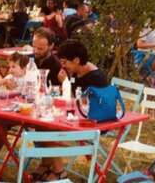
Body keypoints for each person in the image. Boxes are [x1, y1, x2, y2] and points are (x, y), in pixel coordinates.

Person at [29, 40, 109, 181]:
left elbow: (81, 105)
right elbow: (73, 102)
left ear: (77, 60)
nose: (63, 66)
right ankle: (47, 163)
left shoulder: (96, 78)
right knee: (40, 123)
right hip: (78, 116)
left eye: (65, 62)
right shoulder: (77, 72)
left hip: (96, 122)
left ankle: (60, 172)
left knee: (48, 127)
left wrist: (65, 83)